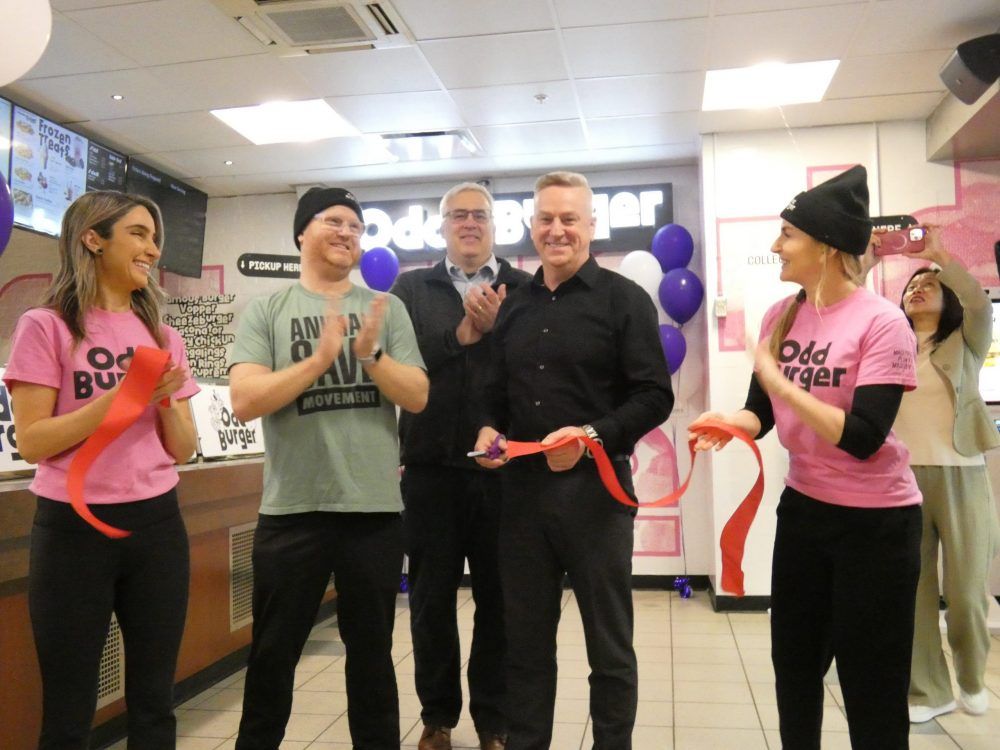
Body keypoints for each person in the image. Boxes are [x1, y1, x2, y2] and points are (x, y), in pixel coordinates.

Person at [690, 165, 923, 750]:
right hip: (805, 514)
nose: (776, 246)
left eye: (788, 234)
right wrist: (731, 424)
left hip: (877, 527)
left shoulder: (883, 323)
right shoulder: (782, 315)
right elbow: (761, 410)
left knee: (871, 684)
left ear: (827, 246)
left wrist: (781, 381)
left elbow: (865, 434)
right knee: (794, 671)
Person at [473, 171, 674, 749]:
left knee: (609, 647)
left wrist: (590, 436)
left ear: (591, 226)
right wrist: (489, 430)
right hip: (521, 502)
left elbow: (653, 395)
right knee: (526, 648)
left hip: (598, 499)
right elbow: (492, 394)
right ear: (531, 227)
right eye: (545, 219)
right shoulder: (512, 308)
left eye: (569, 219)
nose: (556, 230)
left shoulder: (624, 300)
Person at [229, 187, 429, 750]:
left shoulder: (385, 308)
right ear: (301, 232)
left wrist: (369, 355)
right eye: (334, 221)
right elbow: (245, 400)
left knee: (371, 660)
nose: (347, 233)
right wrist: (318, 361)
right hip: (290, 512)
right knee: (272, 656)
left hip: (372, 513)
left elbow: (416, 395)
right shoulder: (267, 310)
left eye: (357, 226)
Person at [4, 190, 199, 749]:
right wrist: (114, 400)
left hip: (158, 527)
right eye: (138, 233)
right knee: (69, 706)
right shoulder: (45, 326)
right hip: (72, 530)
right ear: (94, 238)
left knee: (155, 701)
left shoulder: (164, 336)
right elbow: (35, 442)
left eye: (154, 237)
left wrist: (161, 399)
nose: (152, 249)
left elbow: (182, 449)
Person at [390, 182, 531, 750]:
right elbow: (399, 366)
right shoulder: (410, 288)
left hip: (503, 472)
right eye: (458, 216)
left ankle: (493, 722)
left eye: (480, 215)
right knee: (430, 603)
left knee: (499, 603)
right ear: (442, 226)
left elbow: (534, 369)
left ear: (496, 225)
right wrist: (462, 335)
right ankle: (438, 717)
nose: (469, 223)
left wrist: (497, 334)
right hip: (429, 472)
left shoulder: (522, 289)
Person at [891, 231, 1000, 723]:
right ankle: (928, 692)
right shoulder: (889, 344)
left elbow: (979, 304)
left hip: (962, 475)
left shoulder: (967, 340)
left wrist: (939, 259)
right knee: (911, 594)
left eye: (931, 284)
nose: (919, 287)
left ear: (949, 298)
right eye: (913, 284)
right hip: (899, 481)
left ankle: (972, 676)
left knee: (965, 590)